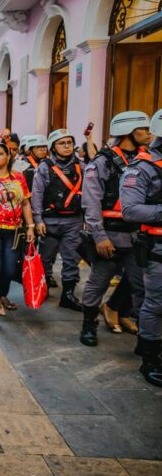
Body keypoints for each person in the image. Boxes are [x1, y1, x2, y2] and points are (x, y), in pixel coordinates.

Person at [80, 112, 150, 346]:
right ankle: (89, 325)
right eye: (144, 129)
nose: (149, 134)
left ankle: (145, 338)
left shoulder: (146, 160)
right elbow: (91, 202)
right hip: (110, 235)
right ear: (129, 132)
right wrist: (99, 237)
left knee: (141, 287)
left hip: (138, 237)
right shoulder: (102, 162)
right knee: (97, 283)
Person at [119, 108, 162, 387]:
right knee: (156, 303)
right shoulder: (142, 167)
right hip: (156, 247)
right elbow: (130, 210)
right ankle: (150, 358)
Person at [0, 138, 35, 331]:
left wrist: (31, 226)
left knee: (10, 270)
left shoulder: (18, 177)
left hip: (14, 231)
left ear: (8, 155)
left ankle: (1, 295)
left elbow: (26, 203)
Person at [31, 129, 84, 309]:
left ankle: (67, 295)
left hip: (74, 221)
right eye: (62, 143)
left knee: (72, 259)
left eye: (70, 142)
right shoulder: (44, 167)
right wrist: (38, 220)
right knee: (46, 259)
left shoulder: (81, 166)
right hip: (50, 222)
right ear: (53, 147)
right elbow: (37, 195)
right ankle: (42, 287)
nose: (67, 146)